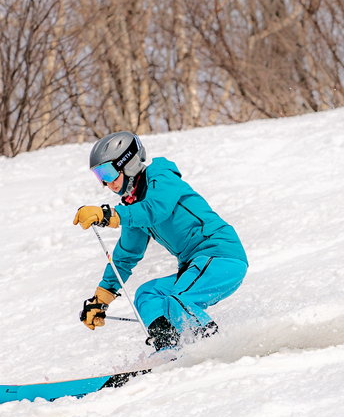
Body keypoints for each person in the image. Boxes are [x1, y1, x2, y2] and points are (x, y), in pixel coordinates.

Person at [73, 131, 248, 351]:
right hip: (195, 266)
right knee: (149, 295)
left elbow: (155, 209)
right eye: (100, 177)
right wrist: (101, 298)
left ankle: (214, 347)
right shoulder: (132, 207)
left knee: (177, 300)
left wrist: (109, 215)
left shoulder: (161, 175)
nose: (107, 183)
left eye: (108, 172)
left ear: (128, 163)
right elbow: (126, 256)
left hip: (220, 256)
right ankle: (169, 348)